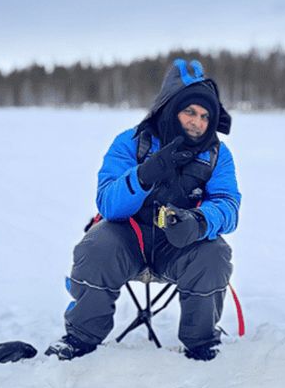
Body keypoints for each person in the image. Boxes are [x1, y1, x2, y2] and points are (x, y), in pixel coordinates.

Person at [45, 59, 241, 362]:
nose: (197, 122)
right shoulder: (131, 142)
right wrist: (144, 174)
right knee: (95, 247)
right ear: (170, 107)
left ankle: (202, 345)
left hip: (178, 247)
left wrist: (199, 221)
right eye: (189, 111)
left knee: (214, 253)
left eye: (205, 116)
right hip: (128, 239)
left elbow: (228, 206)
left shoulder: (217, 155)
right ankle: (80, 339)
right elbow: (108, 202)